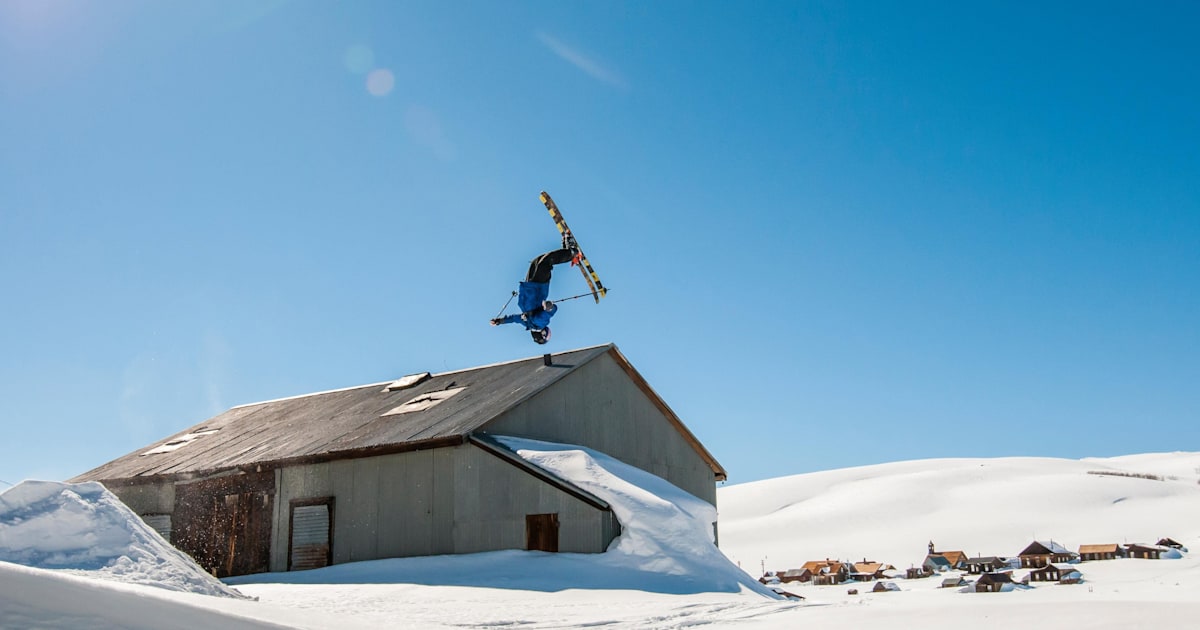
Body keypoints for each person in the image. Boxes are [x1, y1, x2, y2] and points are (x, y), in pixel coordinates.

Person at [491, 235, 580, 344]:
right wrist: (549, 308)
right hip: (538, 286)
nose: (547, 330)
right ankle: (573, 254)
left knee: (537, 261)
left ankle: (567, 250)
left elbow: (514, 319)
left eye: (547, 333)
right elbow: (549, 313)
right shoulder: (539, 322)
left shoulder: (527, 322)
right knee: (545, 262)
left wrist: (500, 321)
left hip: (529, 285)